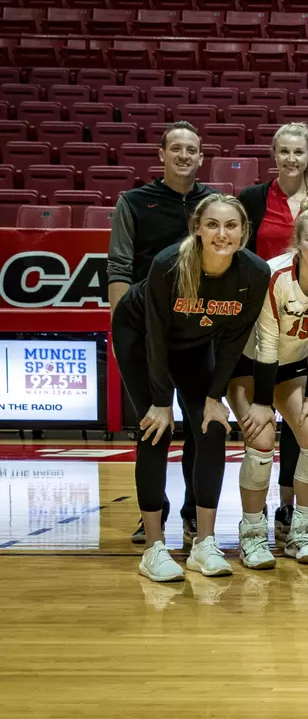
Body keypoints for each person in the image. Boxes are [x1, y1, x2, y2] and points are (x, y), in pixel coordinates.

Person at [120, 194, 272, 582]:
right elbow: (156, 336)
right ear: (198, 229)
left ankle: (203, 543)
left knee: (213, 427)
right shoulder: (169, 264)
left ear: (244, 231)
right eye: (213, 225)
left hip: (194, 345)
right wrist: (159, 401)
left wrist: (214, 397)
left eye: (231, 226)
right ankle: (154, 548)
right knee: (155, 431)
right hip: (141, 337)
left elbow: (234, 340)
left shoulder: (254, 272)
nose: (222, 234)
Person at [227, 203, 308, 565]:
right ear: (296, 243)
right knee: (262, 439)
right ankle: (252, 535)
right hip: (246, 366)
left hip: (290, 366)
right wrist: (261, 403)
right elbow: (267, 343)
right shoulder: (275, 275)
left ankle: (301, 534)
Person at [107, 121, 211, 548]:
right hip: (145, 330)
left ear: (201, 157)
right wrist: (120, 331)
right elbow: (118, 269)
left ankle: (191, 515)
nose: (184, 156)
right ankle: (153, 515)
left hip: (196, 330)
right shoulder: (134, 202)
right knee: (155, 423)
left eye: (192, 150)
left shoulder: (213, 205)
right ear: (161, 155)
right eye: (177, 149)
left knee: (199, 423)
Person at [241, 123, 308, 261]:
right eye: (284, 151)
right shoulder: (250, 199)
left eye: (298, 152)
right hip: (264, 281)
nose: (291, 159)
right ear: (275, 155)